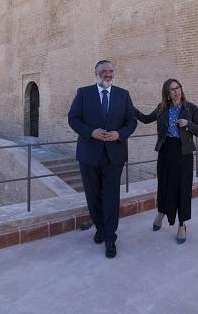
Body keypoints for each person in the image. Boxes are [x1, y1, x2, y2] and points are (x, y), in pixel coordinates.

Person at [68, 60, 137, 258]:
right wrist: (91, 132)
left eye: (110, 71)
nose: (108, 74)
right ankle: (99, 227)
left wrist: (119, 134)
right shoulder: (83, 93)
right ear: (96, 73)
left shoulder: (123, 95)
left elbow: (131, 121)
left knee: (111, 197)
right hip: (89, 155)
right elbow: (73, 118)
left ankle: (110, 237)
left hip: (114, 155)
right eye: (104, 71)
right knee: (93, 195)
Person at [133, 78, 198, 244]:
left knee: (183, 187)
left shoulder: (191, 108)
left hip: (183, 153)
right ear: (168, 93)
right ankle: (161, 212)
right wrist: (129, 107)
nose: (176, 91)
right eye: (172, 89)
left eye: (178, 87)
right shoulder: (162, 108)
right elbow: (145, 118)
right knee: (164, 184)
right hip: (166, 150)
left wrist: (188, 123)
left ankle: (182, 223)